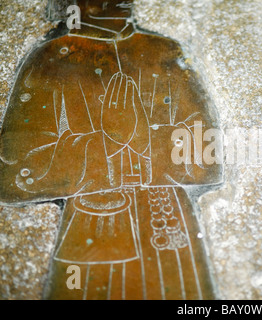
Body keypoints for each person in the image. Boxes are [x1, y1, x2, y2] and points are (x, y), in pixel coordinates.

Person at [0, 0, 222, 299]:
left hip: (167, 225)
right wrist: (107, 141)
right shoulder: (50, 58)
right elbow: (16, 172)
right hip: (94, 226)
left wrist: (147, 141)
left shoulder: (166, 52)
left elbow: (209, 155)